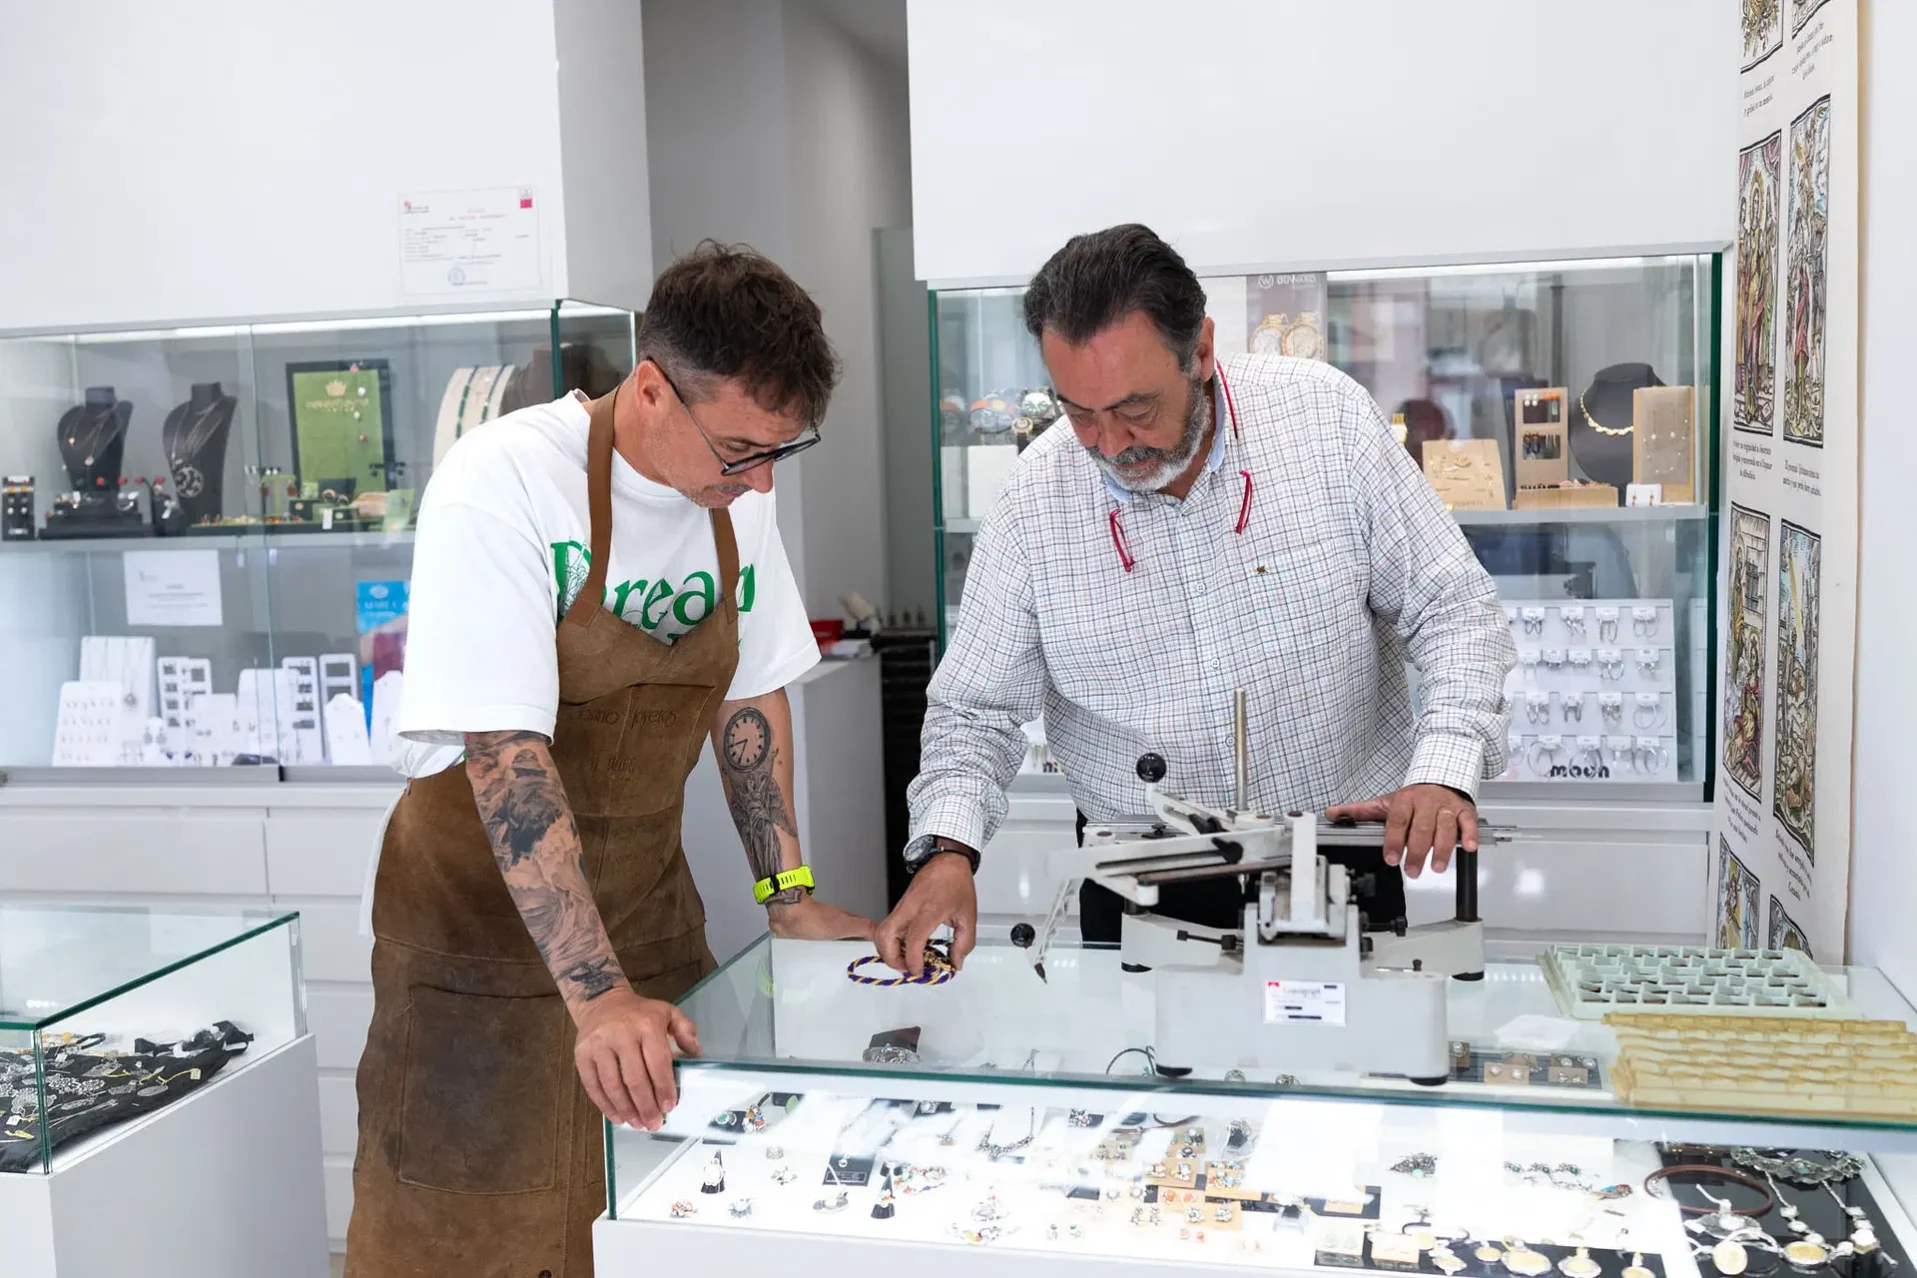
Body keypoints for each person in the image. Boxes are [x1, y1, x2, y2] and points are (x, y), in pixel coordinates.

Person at [347, 242, 875, 1276]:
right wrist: (594, 999)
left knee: (665, 1223)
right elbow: (505, 757)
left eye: (781, 451)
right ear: (648, 391)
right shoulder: (502, 486)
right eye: (739, 450)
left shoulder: (739, 496)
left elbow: (748, 689)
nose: (761, 478)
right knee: (469, 1240)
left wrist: (789, 891)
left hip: (647, 924)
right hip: (479, 950)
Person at [875, 223, 1516, 973]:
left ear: (1201, 351)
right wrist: (948, 851)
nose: (1110, 444)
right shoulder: (1034, 499)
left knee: (1342, 1083)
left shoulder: (1326, 422)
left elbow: (1454, 611)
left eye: (1136, 410)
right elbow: (972, 712)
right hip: (1138, 883)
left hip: (1335, 862)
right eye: (1079, 412)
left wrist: (1440, 769)